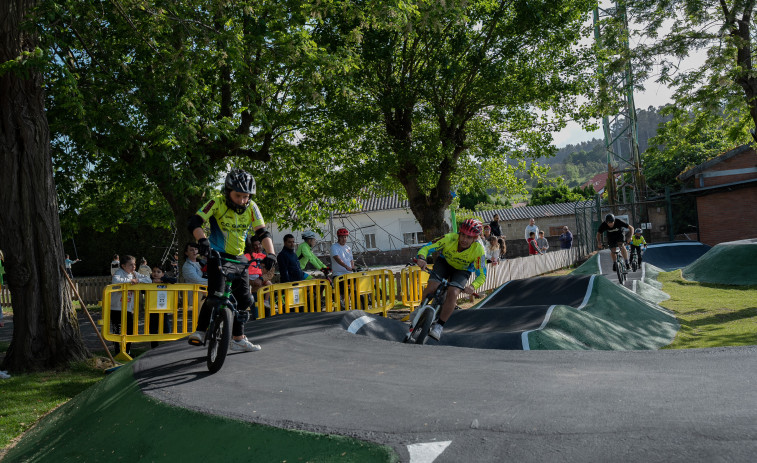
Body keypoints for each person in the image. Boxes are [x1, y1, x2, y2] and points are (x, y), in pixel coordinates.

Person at [186, 168, 276, 353]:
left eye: (246, 196)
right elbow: (194, 222)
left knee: (245, 299)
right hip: (218, 255)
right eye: (238, 196)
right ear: (228, 192)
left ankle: (238, 338)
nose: (243, 201)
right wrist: (202, 240)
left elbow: (262, 232)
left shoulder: (252, 207)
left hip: (239, 257)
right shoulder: (216, 202)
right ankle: (200, 331)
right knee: (216, 295)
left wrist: (271, 254)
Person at [415, 218, 486, 341]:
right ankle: (420, 309)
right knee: (432, 286)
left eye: (469, 237)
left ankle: (439, 326)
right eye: (462, 235)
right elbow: (427, 247)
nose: (464, 239)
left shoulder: (479, 250)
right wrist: (421, 258)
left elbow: (482, 275)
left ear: (475, 238)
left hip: (462, 271)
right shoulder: (449, 238)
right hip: (444, 263)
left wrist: (473, 286)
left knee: (453, 293)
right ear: (459, 232)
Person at [111, 255, 152, 356]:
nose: (133, 267)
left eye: (134, 264)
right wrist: (130, 282)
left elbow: (149, 280)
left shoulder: (134, 274)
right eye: (131, 265)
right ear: (123, 266)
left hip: (128, 308)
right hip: (116, 307)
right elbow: (115, 281)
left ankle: (127, 351)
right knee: (117, 330)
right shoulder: (119, 273)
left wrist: (138, 280)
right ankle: (117, 352)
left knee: (129, 330)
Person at [244, 238, 271, 313]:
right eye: (255, 245)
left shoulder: (264, 256)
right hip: (254, 287)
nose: (258, 246)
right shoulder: (249, 255)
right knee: (256, 313)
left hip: (262, 285)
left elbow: (270, 273)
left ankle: (266, 301)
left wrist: (261, 279)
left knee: (269, 285)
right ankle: (247, 301)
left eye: (259, 244)